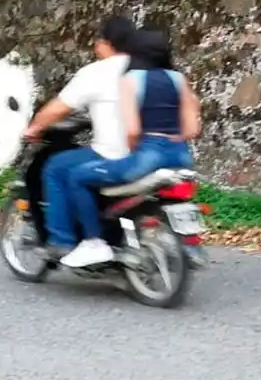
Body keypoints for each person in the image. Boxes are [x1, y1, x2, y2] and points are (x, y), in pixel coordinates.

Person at [61, 27, 202, 268]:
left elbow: (133, 131)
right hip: (180, 156)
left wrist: (135, 150)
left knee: (77, 176)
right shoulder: (178, 79)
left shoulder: (131, 79)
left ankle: (95, 242)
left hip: (149, 154)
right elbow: (192, 129)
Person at [21, 14, 136, 256]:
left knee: (54, 167)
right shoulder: (149, 68)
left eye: (97, 40)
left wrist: (34, 128)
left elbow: (58, 109)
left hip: (112, 155)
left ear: (106, 43)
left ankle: (61, 240)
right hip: (149, 153)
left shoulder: (97, 72)